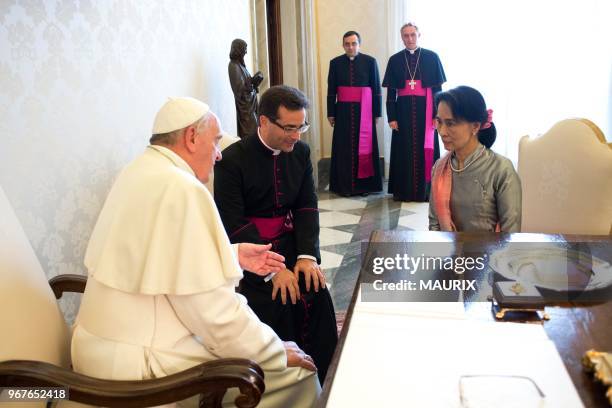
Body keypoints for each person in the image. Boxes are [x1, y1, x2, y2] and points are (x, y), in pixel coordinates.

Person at [71, 96, 321, 407]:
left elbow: (159, 256)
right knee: (297, 375)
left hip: (95, 344)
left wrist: (230, 254)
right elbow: (213, 313)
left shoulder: (139, 170)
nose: (218, 155)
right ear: (191, 137)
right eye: (215, 142)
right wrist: (274, 350)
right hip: (141, 364)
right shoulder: (182, 188)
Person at [214, 86, 338, 383]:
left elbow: (307, 206)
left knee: (316, 289)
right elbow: (234, 223)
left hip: (292, 244)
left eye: (301, 127)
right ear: (264, 122)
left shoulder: (301, 153)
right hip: (251, 252)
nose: (296, 136)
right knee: (279, 298)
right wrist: (273, 270)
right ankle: (287, 381)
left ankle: (328, 376)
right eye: (289, 128)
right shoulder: (232, 161)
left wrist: (307, 257)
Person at [429, 86, 522, 232]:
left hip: (490, 254)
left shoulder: (501, 169)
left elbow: (510, 234)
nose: (441, 131)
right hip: (448, 252)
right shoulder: (440, 168)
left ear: (475, 126)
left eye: (451, 123)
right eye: (439, 122)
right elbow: (434, 225)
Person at [382, 22, 446, 202]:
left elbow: (438, 91)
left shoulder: (432, 57)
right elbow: (391, 93)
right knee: (403, 151)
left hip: (426, 113)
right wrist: (392, 117)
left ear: (419, 35)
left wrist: (437, 116)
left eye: (412, 35)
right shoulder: (395, 60)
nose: (409, 38)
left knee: (426, 150)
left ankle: (426, 191)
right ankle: (403, 191)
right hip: (402, 113)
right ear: (402, 37)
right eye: (406, 35)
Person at [327, 30, 383, 196]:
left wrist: (377, 112)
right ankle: (343, 186)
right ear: (343, 45)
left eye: (354, 43)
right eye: (347, 44)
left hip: (364, 112)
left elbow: (376, 89)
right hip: (343, 111)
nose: (350, 47)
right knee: (343, 148)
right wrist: (331, 112)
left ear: (359, 44)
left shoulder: (370, 62)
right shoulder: (335, 63)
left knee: (364, 146)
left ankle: (364, 186)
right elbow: (331, 90)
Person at [228, 39, 264, 138]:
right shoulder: (233, 66)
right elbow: (239, 89)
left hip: (251, 106)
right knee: (250, 134)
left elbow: (246, 84)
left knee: (256, 132)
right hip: (246, 109)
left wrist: (255, 81)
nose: (246, 52)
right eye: (244, 49)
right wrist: (251, 82)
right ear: (238, 49)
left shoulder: (241, 66)